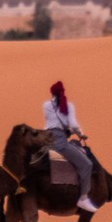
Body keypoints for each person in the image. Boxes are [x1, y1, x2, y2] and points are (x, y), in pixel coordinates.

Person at [42, 80, 98, 214]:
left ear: (52, 92)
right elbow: (72, 124)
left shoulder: (46, 105)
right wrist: (80, 134)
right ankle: (83, 198)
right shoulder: (68, 106)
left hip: (45, 139)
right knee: (87, 165)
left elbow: (50, 123)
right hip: (60, 142)